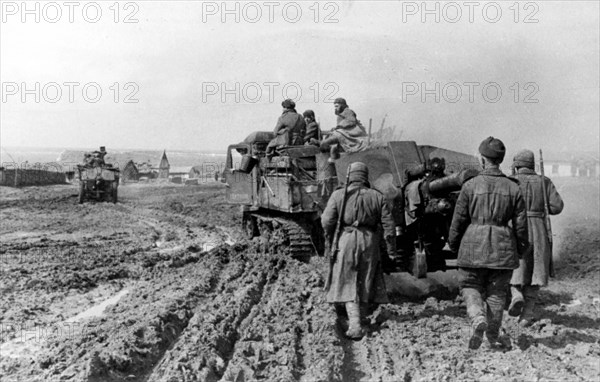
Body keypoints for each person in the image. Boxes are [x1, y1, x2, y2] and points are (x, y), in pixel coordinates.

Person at [448, 137, 529, 350]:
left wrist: (455, 245)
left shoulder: (469, 186)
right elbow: (521, 226)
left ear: (482, 160)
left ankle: (476, 317)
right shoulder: (514, 188)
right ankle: (492, 335)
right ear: (500, 160)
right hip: (503, 247)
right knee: (497, 293)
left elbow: (458, 221)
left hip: (472, 244)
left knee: (470, 286)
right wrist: (520, 250)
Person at [321, 162, 396, 339]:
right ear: (365, 176)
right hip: (370, 241)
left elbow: (326, 221)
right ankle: (361, 320)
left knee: (347, 279)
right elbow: (389, 227)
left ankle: (354, 323)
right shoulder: (378, 197)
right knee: (365, 279)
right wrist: (391, 250)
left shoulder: (339, 195)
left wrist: (330, 237)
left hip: (346, 240)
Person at [508, 149, 564, 326]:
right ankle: (527, 315)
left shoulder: (511, 182)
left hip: (517, 226)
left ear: (517, 165)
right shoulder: (544, 181)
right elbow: (557, 206)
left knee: (516, 264)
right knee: (536, 270)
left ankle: (516, 294)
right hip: (539, 228)